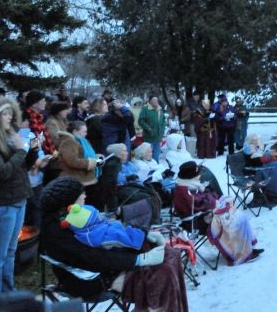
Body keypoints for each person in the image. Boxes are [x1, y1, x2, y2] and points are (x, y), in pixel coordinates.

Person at [39, 177, 188, 311]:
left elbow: (102, 232)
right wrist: (139, 260)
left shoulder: (74, 218)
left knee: (171, 254)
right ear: (70, 202)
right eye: (81, 194)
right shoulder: (59, 230)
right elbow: (93, 257)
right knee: (164, 272)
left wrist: (143, 237)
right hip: (91, 279)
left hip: (104, 267)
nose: (85, 195)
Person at [0, 96, 32, 294]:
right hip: (2, 204)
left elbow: (22, 167)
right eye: (5, 113)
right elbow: (1, 172)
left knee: (11, 252)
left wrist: (31, 151)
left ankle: (8, 294)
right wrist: (21, 152)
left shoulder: (12, 137)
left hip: (18, 199)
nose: (9, 117)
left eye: (10, 113)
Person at [174, 161, 219, 234]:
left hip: (194, 217)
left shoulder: (184, 184)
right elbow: (203, 205)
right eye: (198, 174)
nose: (200, 175)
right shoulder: (187, 189)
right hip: (193, 223)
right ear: (193, 176)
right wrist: (210, 195)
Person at [56, 121, 101, 189]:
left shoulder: (82, 141)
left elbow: (85, 155)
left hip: (81, 178)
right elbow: (72, 161)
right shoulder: (69, 142)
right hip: (74, 180)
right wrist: (92, 162)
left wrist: (97, 158)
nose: (86, 134)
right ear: (75, 131)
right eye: (84, 131)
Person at [137, 95, 165, 162]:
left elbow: (163, 121)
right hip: (149, 136)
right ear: (150, 101)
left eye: (156, 100)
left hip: (158, 136)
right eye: (154, 100)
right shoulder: (145, 109)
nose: (156, 102)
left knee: (156, 154)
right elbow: (140, 121)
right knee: (148, 154)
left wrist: (162, 130)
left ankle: (156, 167)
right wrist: (148, 128)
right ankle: (148, 168)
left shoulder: (159, 109)